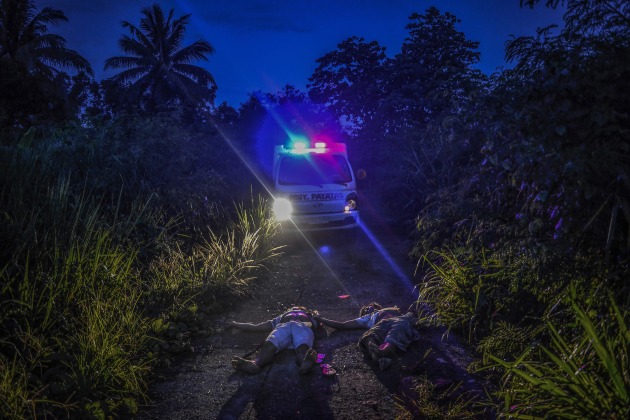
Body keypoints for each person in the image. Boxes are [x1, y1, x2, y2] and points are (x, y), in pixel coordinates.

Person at [315, 302, 421, 370]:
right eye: (366, 309)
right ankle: (379, 356)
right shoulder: (366, 318)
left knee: (395, 333)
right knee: (366, 337)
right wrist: (320, 319)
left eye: (371, 306)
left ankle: (382, 354)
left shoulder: (392, 309)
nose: (368, 308)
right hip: (379, 327)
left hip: (397, 321)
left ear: (377, 306)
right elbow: (342, 325)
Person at [225, 306, 321, 375]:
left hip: (303, 326)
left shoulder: (310, 316)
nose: (296, 308)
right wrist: (235, 323)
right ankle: (255, 363)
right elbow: (256, 327)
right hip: (283, 327)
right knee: (269, 344)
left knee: (303, 347)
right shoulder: (280, 318)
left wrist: (316, 316)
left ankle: (305, 363)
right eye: (293, 308)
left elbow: (324, 321)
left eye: (299, 308)